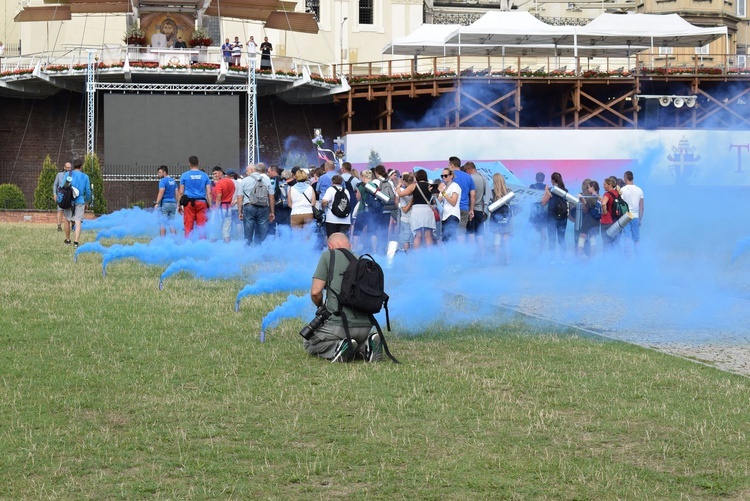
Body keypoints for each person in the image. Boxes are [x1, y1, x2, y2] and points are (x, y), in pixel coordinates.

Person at [306, 232, 383, 362]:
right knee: (353, 341)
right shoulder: (361, 261)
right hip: (366, 326)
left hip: (340, 326)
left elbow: (316, 292)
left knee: (309, 342)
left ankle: (338, 347)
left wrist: (320, 307)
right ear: (350, 246)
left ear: (330, 246)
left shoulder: (328, 256)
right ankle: (366, 346)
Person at [238, 163, 274, 244]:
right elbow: (271, 196)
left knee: (248, 233)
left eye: (247, 171)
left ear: (252, 170)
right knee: (262, 234)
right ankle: (260, 252)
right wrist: (272, 212)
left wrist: (240, 212)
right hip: (263, 207)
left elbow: (240, 197)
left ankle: (248, 251)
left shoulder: (245, 180)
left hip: (248, 207)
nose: (246, 173)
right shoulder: (266, 179)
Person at [399, 169, 435, 249]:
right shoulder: (430, 186)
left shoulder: (413, 186)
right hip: (427, 210)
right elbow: (436, 199)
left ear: (417, 177)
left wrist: (398, 187)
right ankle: (431, 256)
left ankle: (417, 256)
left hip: (417, 210)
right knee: (428, 235)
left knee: (417, 235)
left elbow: (400, 194)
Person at [177, 155, 212, 238]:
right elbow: (209, 192)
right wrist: (210, 206)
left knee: (188, 226)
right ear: (198, 163)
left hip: (188, 203)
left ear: (189, 164)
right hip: (202, 202)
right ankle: (202, 246)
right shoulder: (205, 176)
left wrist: (179, 205)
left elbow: (181, 192)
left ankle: (188, 246)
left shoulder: (184, 175)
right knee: (202, 226)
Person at [62, 158, 92, 248]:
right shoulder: (85, 177)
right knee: (78, 220)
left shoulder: (68, 174)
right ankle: (76, 242)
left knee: (67, 219)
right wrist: (87, 201)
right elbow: (88, 191)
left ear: (73, 166)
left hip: (69, 200)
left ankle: (67, 240)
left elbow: (63, 186)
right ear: (81, 166)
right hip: (80, 201)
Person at [540, 171, 569, 262]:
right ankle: (563, 260)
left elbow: (543, 202)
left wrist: (546, 191)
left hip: (552, 217)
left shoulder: (550, 190)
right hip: (563, 218)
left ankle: (552, 260)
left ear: (552, 181)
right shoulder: (565, 191)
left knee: (552, 239)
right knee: (562, 239)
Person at [447, 156, 476, 243]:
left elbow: (442, 190)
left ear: (452, 165)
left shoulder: (449, 176)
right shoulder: (468, 177)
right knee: (461, 232)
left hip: (451, 208)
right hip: (464, 208)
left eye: (448, 164)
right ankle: (461, 253)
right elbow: (473, 195)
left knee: (450, 232)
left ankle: (453, 253)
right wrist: (471, 209)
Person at [489, 173, 513, 265]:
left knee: (497, 240)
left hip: (495, 218)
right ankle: (507, 260)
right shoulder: (509, 191)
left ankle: (497, 260)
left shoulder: (492, 192)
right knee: (506, 240)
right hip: (506, 218)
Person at [464, 161, 487, 253]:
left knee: (471, 234)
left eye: (466, 170)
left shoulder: (469, 178)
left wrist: (470, 209)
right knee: (480, 234)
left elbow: (470, 195)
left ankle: (472, 256)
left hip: (471, 209)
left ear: (469, 169)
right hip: (480, 209)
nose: (465, 172)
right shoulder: (483, 178)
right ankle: (483, 255)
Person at [620, 170, 644, 254]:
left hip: (625, 216)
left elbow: (620, 204)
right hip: (636, 216)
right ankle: (638, 256)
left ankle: (628, 256)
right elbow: (641, 206)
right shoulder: (639, 190)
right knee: (636, 239)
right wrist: (640, 219)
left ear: (625, 178)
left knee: (626, 237)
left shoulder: (622, 190)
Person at [577, 180, 601, 259]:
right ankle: (592, 258)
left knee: (581, 238)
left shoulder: (591, 198)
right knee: (593, 239)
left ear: (592, 187)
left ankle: (579, 256)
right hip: (596, 222)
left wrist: (582, 199)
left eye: (589, 188)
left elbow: (586, 209)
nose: (588, 189)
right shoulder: (598, 197)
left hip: (588, 220)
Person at [211, 166, 236, 243]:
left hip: (220, 208)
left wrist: (216, 210)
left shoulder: (219, 183)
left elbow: (218, 197)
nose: (214, 175)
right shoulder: (231, 182)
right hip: (228, 208)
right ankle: (227, 249)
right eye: (213, 174)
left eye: (215, 173)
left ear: (221, 172)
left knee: (214, 230)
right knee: (226, 231)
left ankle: (211, 248)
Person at [438, 168, 461, 243]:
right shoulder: (444, 188)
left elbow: (453, 202)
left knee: (451, 238)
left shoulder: (455, 186)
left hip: (452, 214)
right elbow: (438, 201)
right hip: (444, 216)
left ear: (451, 176)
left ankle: (453, 254)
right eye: (442, 176)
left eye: (445, 175)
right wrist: (433, 192)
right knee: (445, 239)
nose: (444, 177)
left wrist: (444, 193)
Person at [154, 165, 177, 236]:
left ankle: (162, 242)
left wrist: (157, 203)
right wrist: (177, 203)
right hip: (173, 204)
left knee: (162, 223)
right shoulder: (173, 181)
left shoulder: (163, 181)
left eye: (160, 172)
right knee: (172, 223)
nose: (158, 174)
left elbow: (161, 192)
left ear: (164, 172)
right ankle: (175, 240)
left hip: (165, 204)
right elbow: (177, 192)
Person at [529, 171, 548, 257]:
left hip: (533, 215)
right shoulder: (546, 188)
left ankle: (526, 251)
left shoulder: (532, 187)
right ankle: (540, 253)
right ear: (543, 179)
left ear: (536, 178)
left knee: (527, 233)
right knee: (543, 235)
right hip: (543, 215)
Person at [600, 176, 621, 252]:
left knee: (606, 244)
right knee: (614, 243)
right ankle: (614, 260)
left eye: (605, 184)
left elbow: (603, 204)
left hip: (606, 222)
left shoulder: (607, 194)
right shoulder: (617, 193)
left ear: (610, 185)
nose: (603, 186)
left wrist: (605, 212)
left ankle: (606, 261)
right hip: (616, 222)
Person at [53, 161, 72, 231]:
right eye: (67, 167)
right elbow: (55, 185)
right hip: (61, 195)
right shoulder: (59, 175)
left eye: (70, 168)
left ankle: (72, 225)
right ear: (64, 167)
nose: (68, 169)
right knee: (59, 211)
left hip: (69, 196)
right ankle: (59, 226)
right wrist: (55, 194)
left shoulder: (72, 175)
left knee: (71, 211)